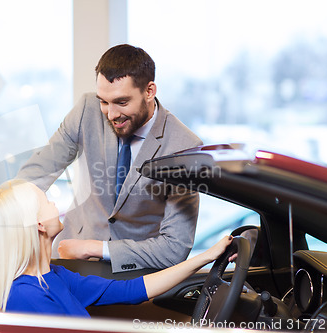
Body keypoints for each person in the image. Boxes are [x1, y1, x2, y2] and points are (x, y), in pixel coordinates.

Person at [16, 44, 203, 273]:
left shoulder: (184, 146)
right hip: (68, 262)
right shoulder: (87, 109)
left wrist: (95, 248)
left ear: (149, 91)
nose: (111, 114)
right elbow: (38, 173)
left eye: (122, 102)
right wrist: (3, 212)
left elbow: (175, 248)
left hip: (135, 274)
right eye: (104, 101)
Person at [0, 180, 233, 316]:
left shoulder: (54, 277)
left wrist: (207, 256)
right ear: (38, 224)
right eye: (46, 201)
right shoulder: (26, 296)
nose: (54, 202)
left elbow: (133, 290)